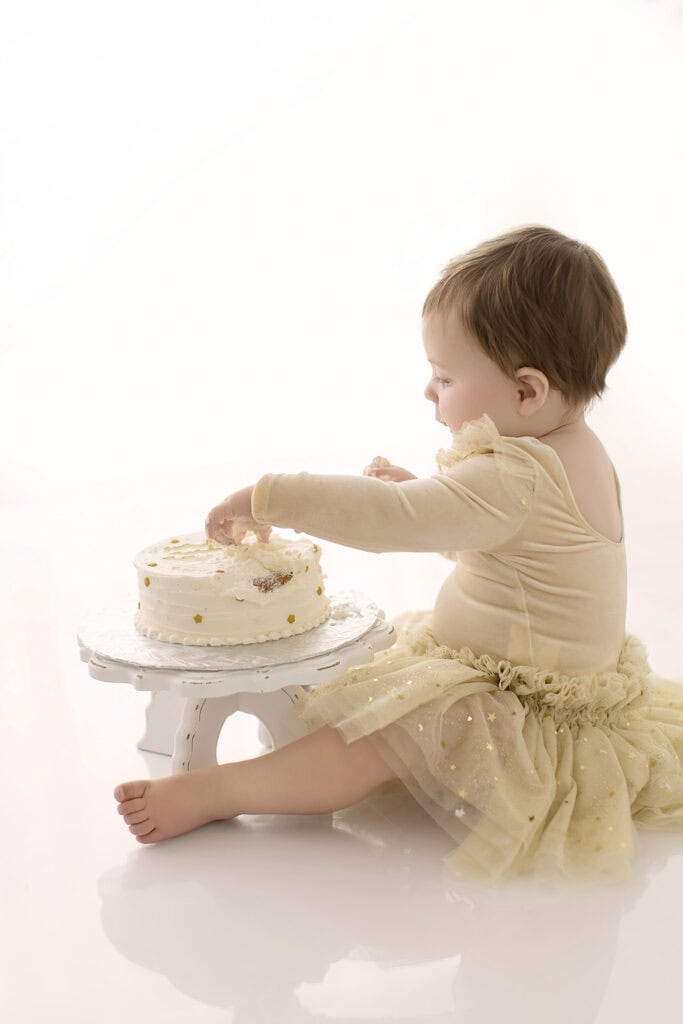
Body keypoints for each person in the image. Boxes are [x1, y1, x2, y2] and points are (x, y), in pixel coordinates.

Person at [114, 225, 683, 886]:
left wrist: (272, 498)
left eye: (444, 377)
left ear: (526, 392)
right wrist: (433, 493)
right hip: (563, 679)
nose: (428, 393)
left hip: (516, 700)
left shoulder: (514, 475)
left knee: (369, 739)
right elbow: (516, 551)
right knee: (375, 675)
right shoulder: (575, 450)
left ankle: (215, 792)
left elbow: (389, 521)